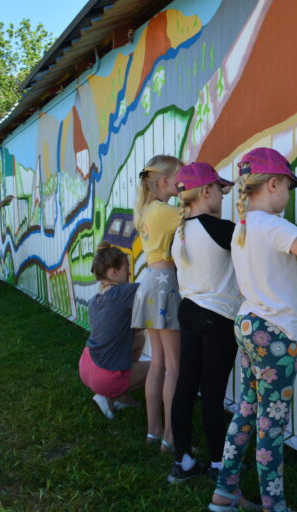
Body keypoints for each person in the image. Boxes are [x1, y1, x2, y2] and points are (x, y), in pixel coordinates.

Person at [210, 148, 297, 512]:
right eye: (288, 186)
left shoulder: (244, 226)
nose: (289, 195)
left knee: (245, 411)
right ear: (272, 184)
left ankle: (225, 492)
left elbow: (268, 274)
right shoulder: (274, 226)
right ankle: (275, 506)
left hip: (250, 325)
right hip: (274, 336)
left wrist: (295, 269)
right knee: (271, 426)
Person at [167, 162, 239, 483]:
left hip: (190, 311)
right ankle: (219, 465)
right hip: (217, 318)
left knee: (185, 386)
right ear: (207, 191)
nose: (224, 198)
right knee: (212, 394)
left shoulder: (180, 232)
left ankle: (182, 460)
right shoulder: (221, 229)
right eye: (221, 191)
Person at [131, 155, 183, 451]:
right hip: (165, 284)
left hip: (149, 282)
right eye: (180, 177)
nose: (184, 182)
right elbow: (200, 219)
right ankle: (171, 437)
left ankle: (154, 431)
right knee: (174, 366)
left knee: (157, 363)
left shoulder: (146, 209)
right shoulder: (166, 211)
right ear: (164, 181)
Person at [78, 241, 150, 419]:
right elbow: (153, 288)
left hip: (87, 365)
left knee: (139, 339)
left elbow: (121, 328)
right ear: (113, 272)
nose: (130, 274)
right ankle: (110, 395)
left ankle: (119, 397)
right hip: (104, 375)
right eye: (127, 270)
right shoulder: (123, 292)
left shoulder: (96, 300)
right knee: (159, 369)